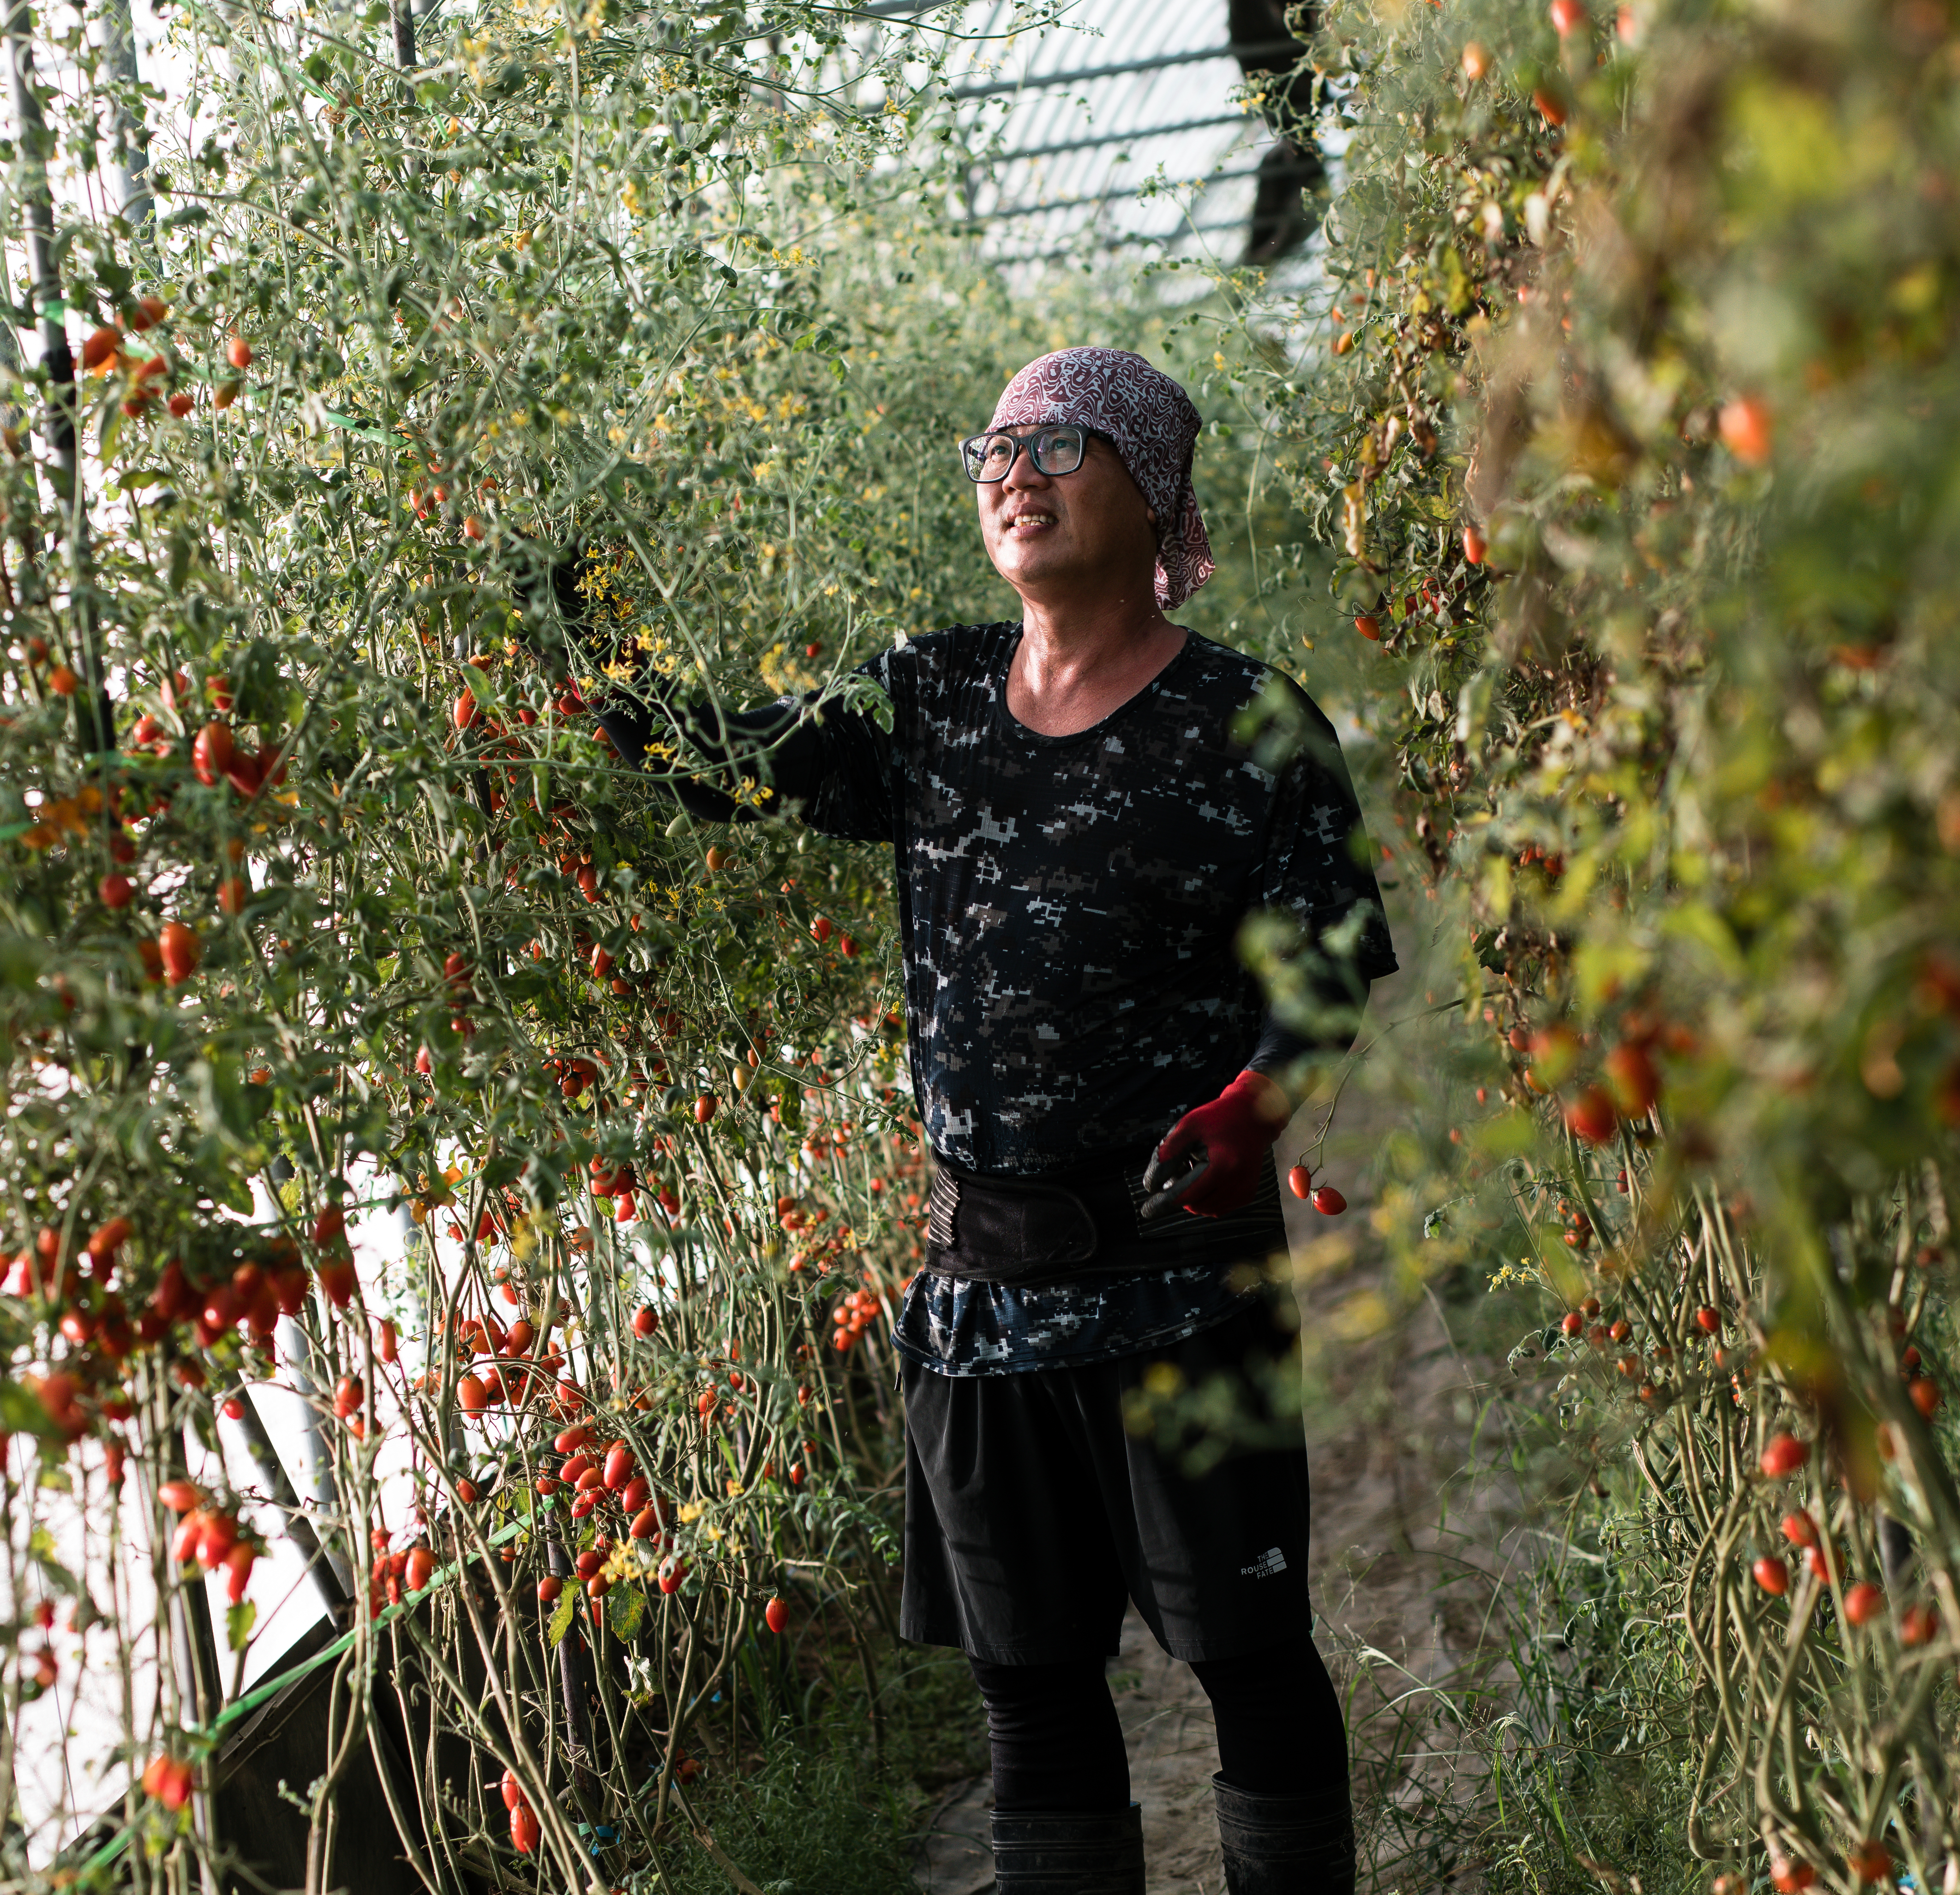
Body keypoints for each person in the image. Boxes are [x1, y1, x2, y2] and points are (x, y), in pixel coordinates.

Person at [568, 347, 1394, 1895]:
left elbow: (1333, 957)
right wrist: (601, 642)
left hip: (1174, 1281)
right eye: (996, 447)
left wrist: (1252, 1106)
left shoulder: (1250, 723)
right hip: (983, 1292)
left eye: (1060, 443)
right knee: (1030, 1690)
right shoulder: (932, 695)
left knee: (1250, 1659)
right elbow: (744, 766)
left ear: (1151, 489)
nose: (1014, 470)